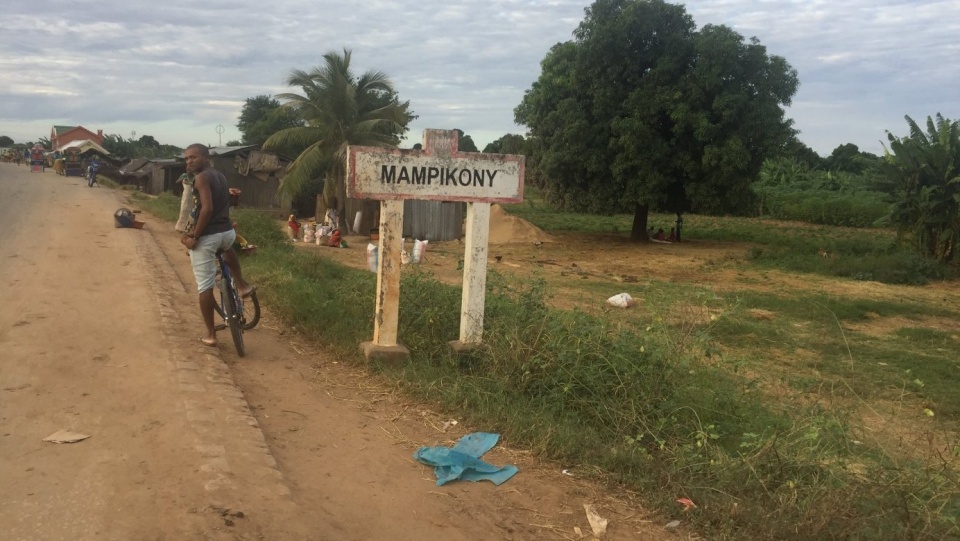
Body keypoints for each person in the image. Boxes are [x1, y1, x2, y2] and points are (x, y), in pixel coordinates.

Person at [180, 143, 255, 348]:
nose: (189, 161)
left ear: (205, 157)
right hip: (227, 233)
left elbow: (207, 208)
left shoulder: (201, 177)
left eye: (193, 157)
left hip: (209, 237)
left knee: (204, 287)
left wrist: (195, 235)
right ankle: (241, 284)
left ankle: (211, 334)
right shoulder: (219, 176)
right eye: (186, 158)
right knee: (227, 248)